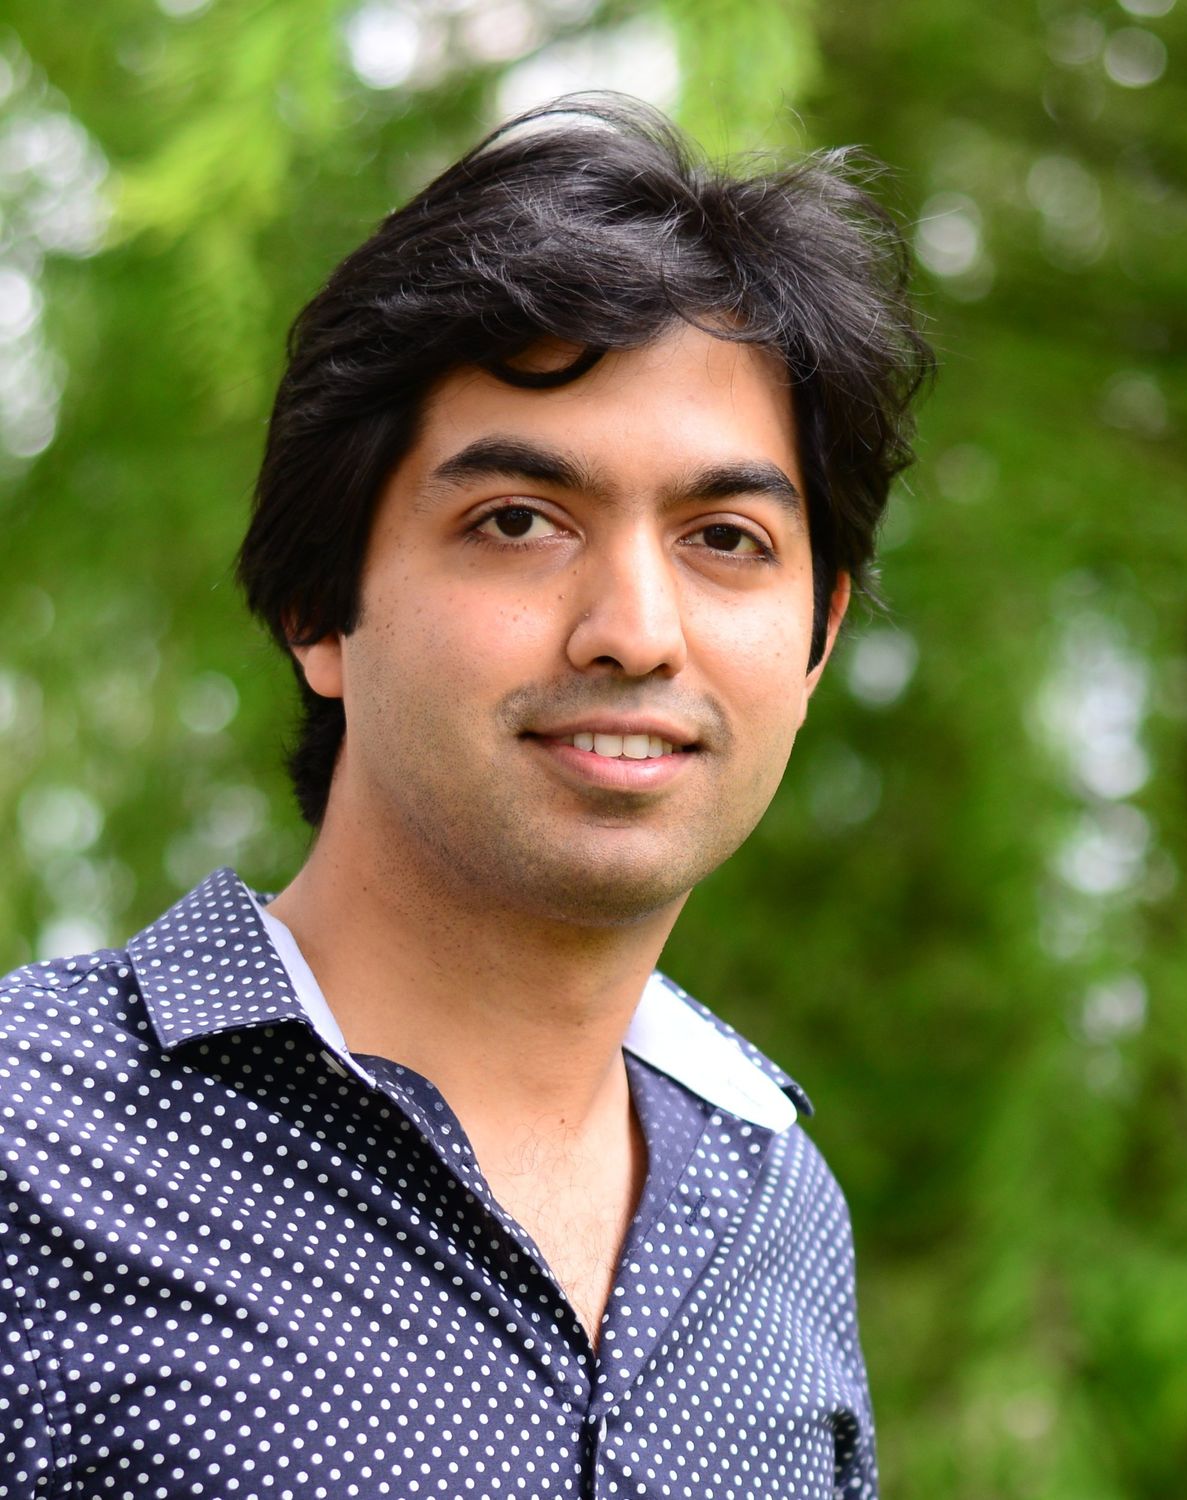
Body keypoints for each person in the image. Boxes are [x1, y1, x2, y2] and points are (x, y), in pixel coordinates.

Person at [0, 96, 931, 1498]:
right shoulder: (34, 1138)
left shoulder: (777, 1210)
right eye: (519, 521)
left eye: (725, 538)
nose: (634, 629)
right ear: (321, 603)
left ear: (818, 642)